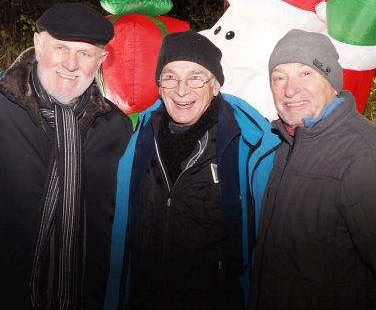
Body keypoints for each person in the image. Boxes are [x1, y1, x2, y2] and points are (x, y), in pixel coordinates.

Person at [0, 3, 132, 309]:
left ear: (101, 60)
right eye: (60, 48)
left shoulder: (117, 129)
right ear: (38, 45)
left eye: (85, 54)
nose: (71, 64)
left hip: (87, 298)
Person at [104, 30, 280, 310]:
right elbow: (124, 227)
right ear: (159, 85)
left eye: (196, 77)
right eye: (170, 77)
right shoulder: (142, 136)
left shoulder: (247, 143)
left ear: (216, 85)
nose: (181, 90)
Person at [250, 29, 376, 310]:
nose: (289, 90)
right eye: (279, 77)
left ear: (332, 82)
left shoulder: (371, 157)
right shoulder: (287, 145)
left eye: (305, 73)